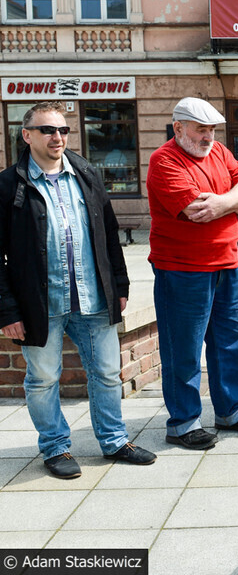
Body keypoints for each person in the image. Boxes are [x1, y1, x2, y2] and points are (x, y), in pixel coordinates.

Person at [0, 101, 155, 479]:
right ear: (27, 135)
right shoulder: (8, 184)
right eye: (48, 130)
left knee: (105, 372)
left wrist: (119, 284)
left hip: (92, 297)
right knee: (42, 378)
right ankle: (55, 448)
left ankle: (114, 441)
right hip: (41, 302)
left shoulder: (86, 173)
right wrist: (7, 310)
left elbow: (108, 236)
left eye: (64, 130)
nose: (58, 137)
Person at [148, 97, 238, 450]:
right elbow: (195, 210)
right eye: (201, 129)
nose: (208, 136)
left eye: (212, 129)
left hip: (225, 263)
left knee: (230, 340)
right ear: (179, 128)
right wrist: (235, 203)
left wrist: (224, 202)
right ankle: (183, 422)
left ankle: (230, 411)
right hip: (182, 270)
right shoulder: (164, 160)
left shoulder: (218, 151)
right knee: (182, 348)